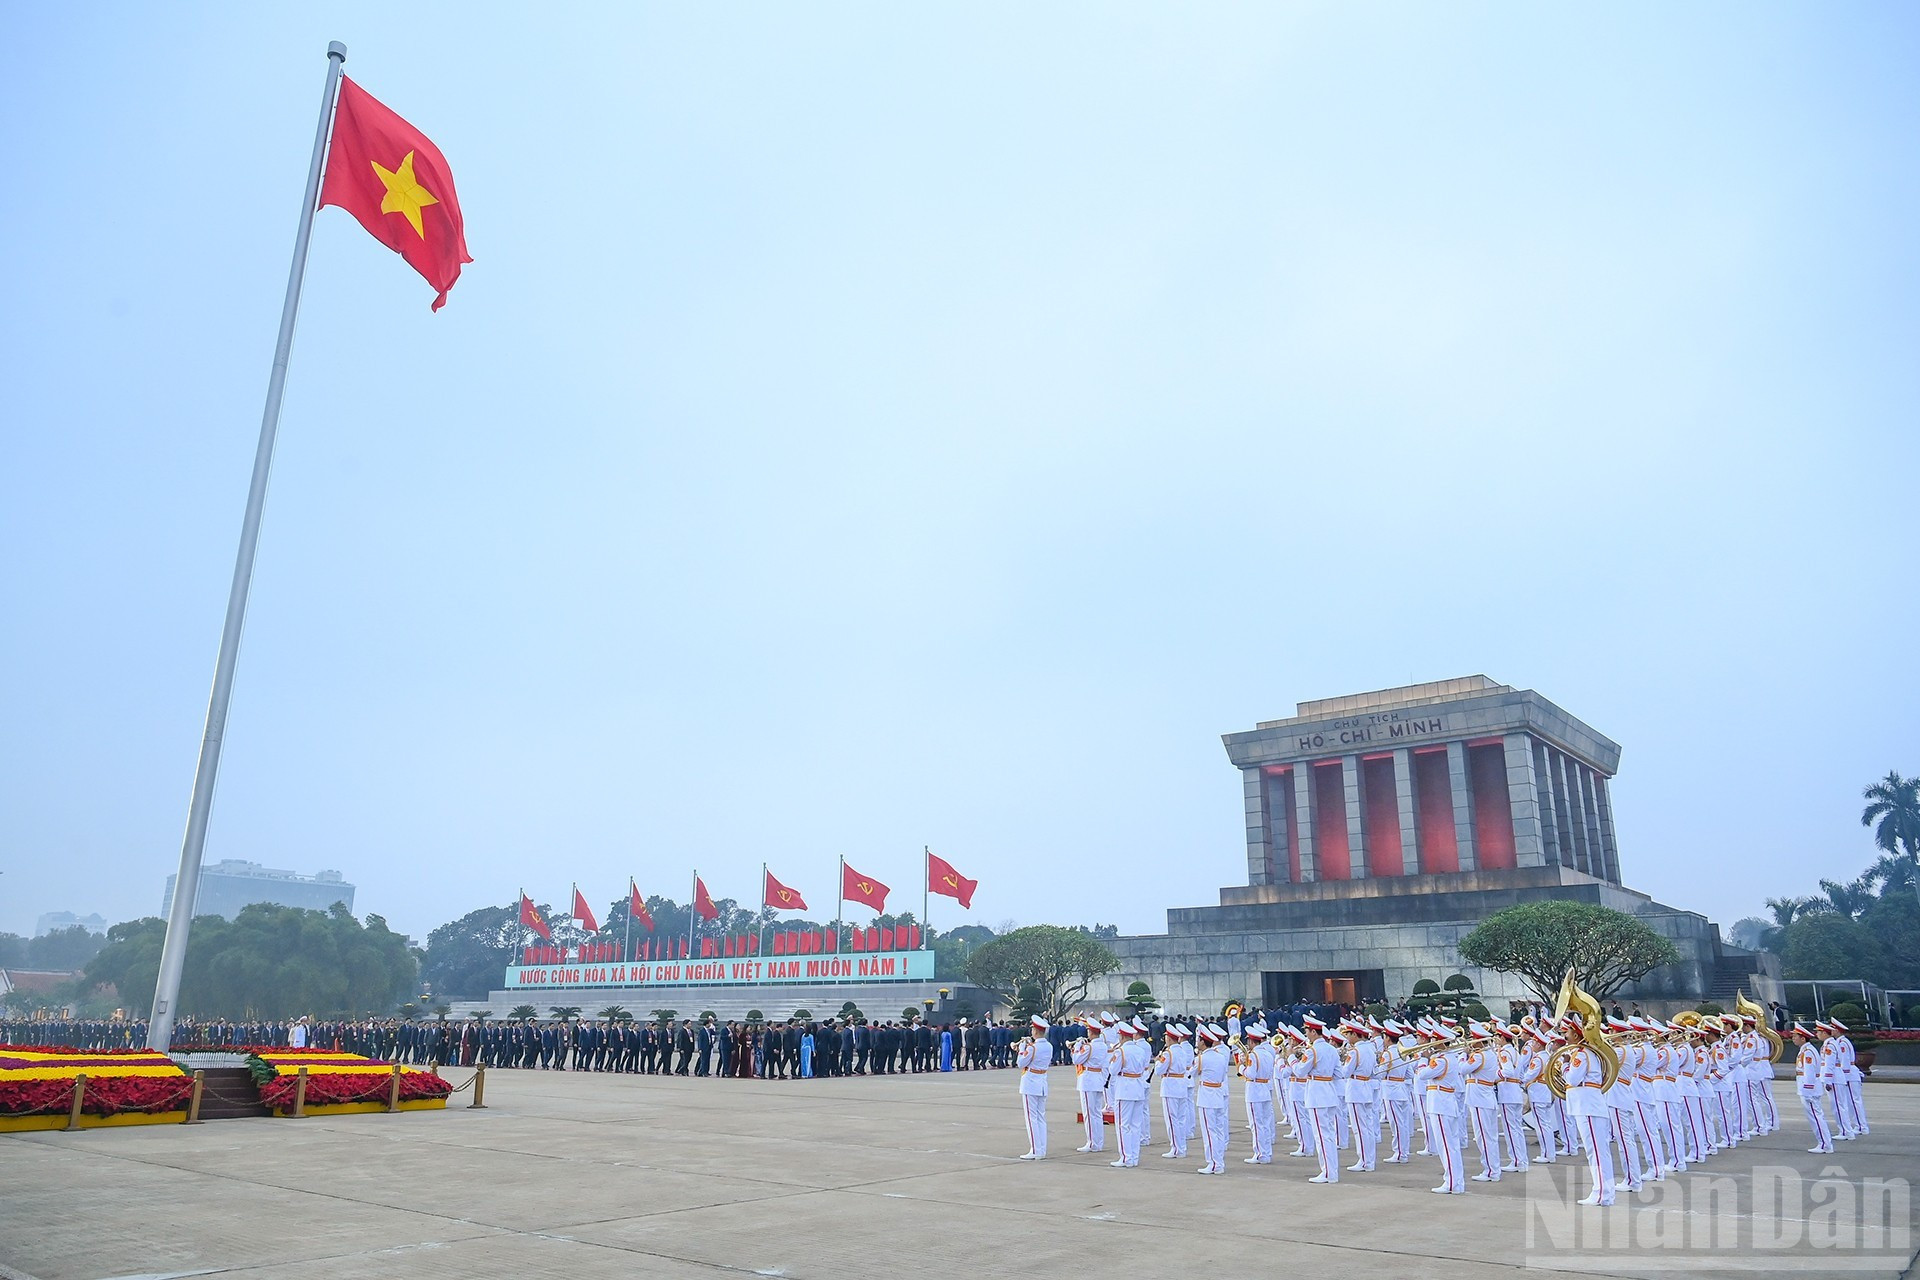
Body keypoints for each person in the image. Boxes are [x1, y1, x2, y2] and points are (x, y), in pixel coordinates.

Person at [1110, 1018, 1150, 1168]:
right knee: (1135, 1125)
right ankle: (1133, 1157)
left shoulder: (1121, 1051)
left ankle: (1126, 1157)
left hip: (1125, 1089)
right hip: (1138, 1087)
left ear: (1122, 1036)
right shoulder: (1140, 1050)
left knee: (1123, 1125)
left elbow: (1113, 1070)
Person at [1192, 1022, 1230, 1174]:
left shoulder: (1202, 1058)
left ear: (1203, 1042)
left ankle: (1214, 1163)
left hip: (1207, 1096)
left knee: (1209, 1132)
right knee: (1218, 1130)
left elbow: (1191, 1074)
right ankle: (1219, 1161)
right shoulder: (1220, 1057)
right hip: (1218, 1094)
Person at [1791, 1022, 1834, 1153]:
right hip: (1806, 1088)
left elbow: (1809, 1072)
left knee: (1816, 1117)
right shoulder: (1805, 1050)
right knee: (1814, 1116)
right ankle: (1823, 1143)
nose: (1793, 1038)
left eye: (1795, 1036)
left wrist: (1808, 1090)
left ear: (1803, 1038)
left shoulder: (1808, 1052)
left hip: (1809, 1089)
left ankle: (1825, 1144)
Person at [1017, 1015, 1053, 1160]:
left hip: (1030, 1083)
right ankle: (1041, 1149)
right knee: (1040, 1117)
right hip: (1042, 1081)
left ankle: (1035, 1150)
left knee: (1031, 1118)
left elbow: (1021, 1063)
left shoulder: (1032, 1048)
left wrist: (1021, 1049)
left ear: (1036, 1031)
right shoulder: (1048, 1046)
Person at [1156, 1022, 1193, 1160]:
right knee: (1181, 1119)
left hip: (1170, 1086)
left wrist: (1158, 1061)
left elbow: (1159, 1070)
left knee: (1172, 1120)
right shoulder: (1182, 1051)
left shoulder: (1168, 1053)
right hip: (1181, 1085)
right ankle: (1181, 1147)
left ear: (1169, 1038)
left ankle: (1176, 1148)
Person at [1072, 1018, 1108, 1154]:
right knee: (1097, 1114)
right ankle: (1098, 1142)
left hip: (1088, 1081)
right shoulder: (1103, 1046)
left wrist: (1077, 1047)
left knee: (1089, 1113)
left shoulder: (1089, 1047)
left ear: (1091, 1032)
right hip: (1098, 1078)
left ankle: (1092, 1143)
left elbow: (1076, 1059)